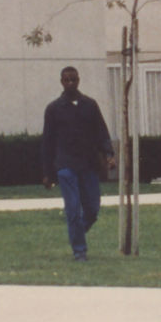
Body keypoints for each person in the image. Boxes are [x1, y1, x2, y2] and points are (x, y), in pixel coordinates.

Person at [41, 66, 115, 261]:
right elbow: (47, 142)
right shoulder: (53, 109)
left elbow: (101, 132)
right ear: (61, 82)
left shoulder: (90, 105)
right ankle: (79, 250)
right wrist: (48, 173)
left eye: (73, 79)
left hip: (88, 165)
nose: (70, 83)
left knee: (92, 209)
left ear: (79, 80)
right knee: (73, 208)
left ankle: (77, 233)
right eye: (67, 80)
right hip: (65, 166)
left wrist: (108, 153)